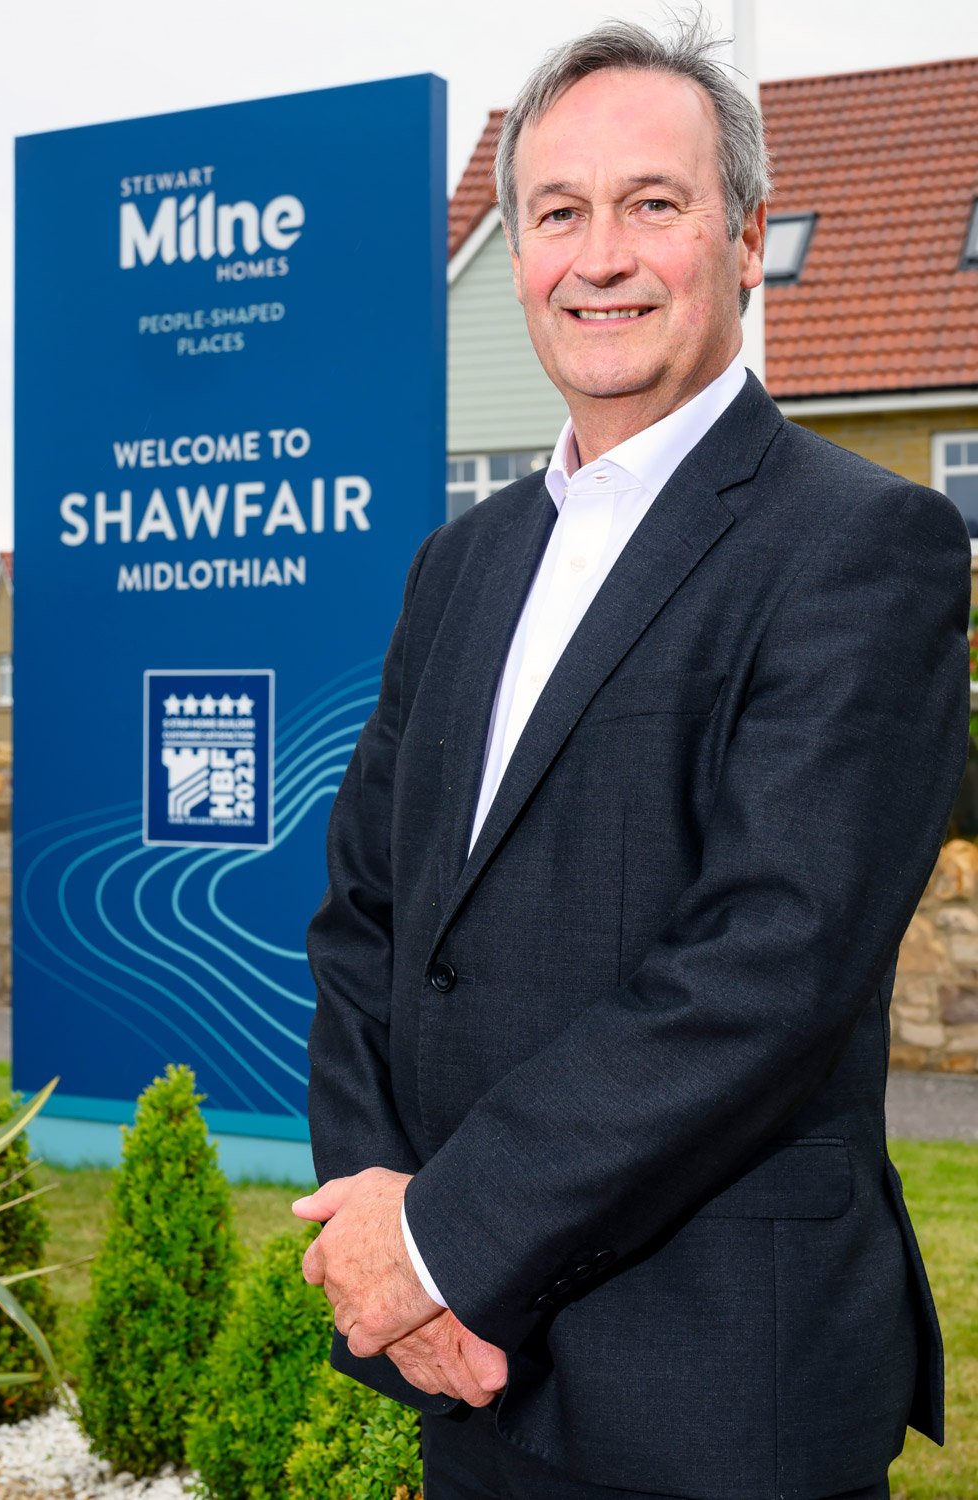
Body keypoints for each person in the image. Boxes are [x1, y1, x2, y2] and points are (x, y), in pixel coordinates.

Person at [291, 15, 971, 1500]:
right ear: (517, 255)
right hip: (466, 1380)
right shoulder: (457, 567)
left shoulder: (866, 548)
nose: (599, 257)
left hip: (713, 1397)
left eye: (652, 204)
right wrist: (382, 1235)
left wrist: (441, 1244)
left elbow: (769, 967)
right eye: (557, 213)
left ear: (747, 239)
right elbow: (365, 925)